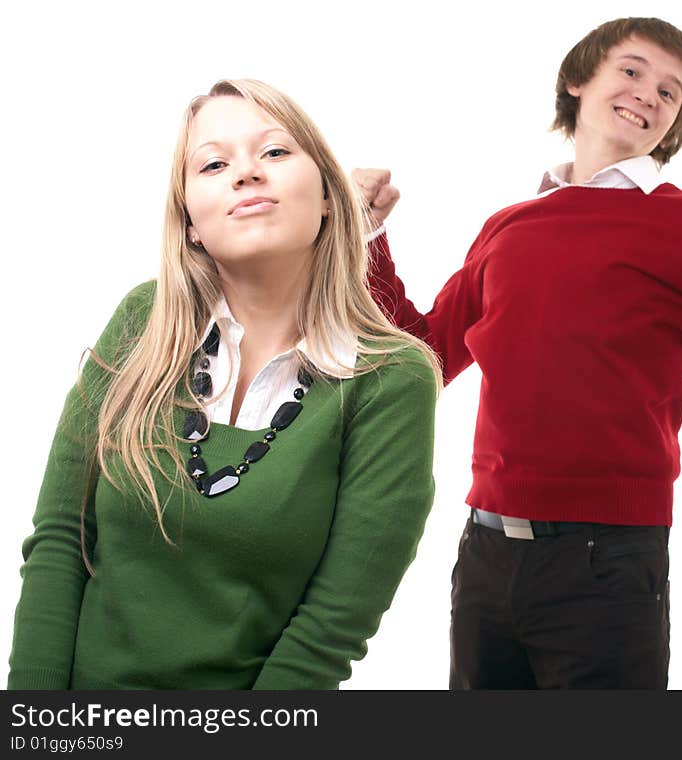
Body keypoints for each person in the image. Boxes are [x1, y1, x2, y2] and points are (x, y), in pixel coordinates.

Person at [355, 17, 682, 689]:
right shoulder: (507, 228)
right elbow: (424, 361)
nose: (649, 93)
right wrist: (366, 241)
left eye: (670, 92)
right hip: (484, 554)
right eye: (631, 70)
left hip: (607, 563)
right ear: (578, 81)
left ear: (674, 124)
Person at [7, 79, 441, 690]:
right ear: (189, 222)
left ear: (327, 198)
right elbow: (59, 542)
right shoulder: (141, 320)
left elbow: (330, 628)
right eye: (214, 163)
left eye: (275, 152)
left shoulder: (391, 380)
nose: (246, 174)